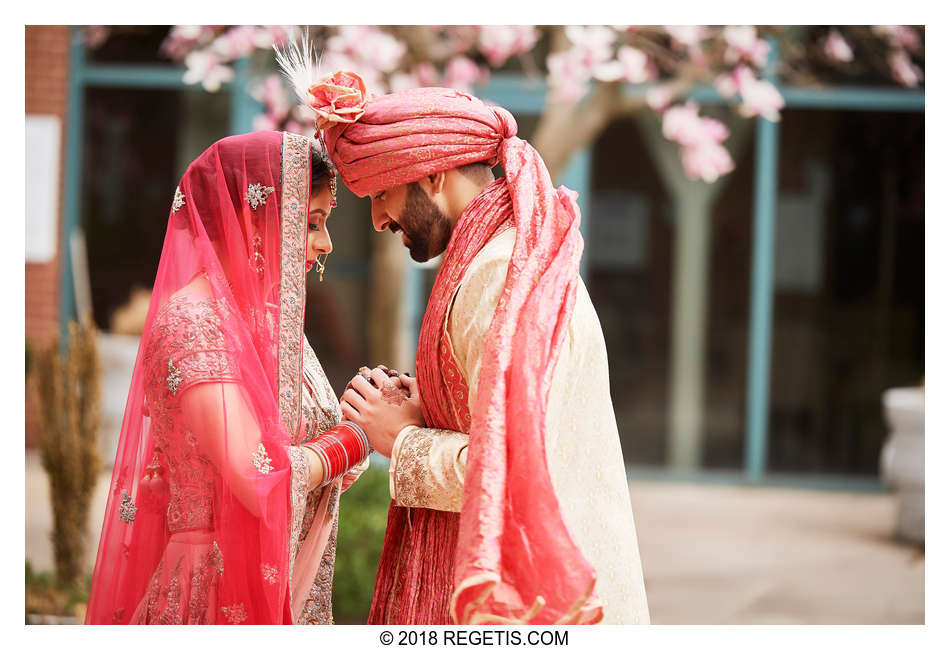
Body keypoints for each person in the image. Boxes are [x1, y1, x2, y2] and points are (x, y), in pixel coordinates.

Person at [282, 66, 650, 624]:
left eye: (382, 192)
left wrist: (400, 438)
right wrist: (424, 409)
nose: (378, 218)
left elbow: (517, 466)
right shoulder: (501, 257)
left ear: (432, 177)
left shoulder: (498, 275)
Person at [85, 131, 370, 625]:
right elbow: (261, 480)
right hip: (210, 594)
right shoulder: (194, 325)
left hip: (277, 579)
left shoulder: (269, 319)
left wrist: (366, 406)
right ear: (252, 218)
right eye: (311, 223)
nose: (326, 244)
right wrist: (361, 435)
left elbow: (306, 459)